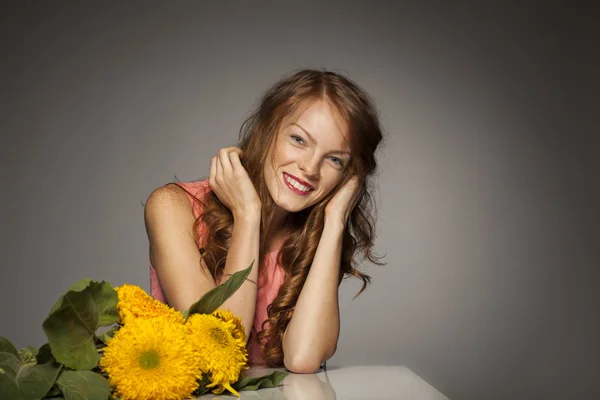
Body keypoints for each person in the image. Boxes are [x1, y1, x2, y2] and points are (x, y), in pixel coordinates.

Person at [144, 69, 384, 373]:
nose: (310, 168)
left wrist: (336, 221)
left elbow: (303, 359)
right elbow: (218, 352)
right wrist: (247, 214)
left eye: (335, 159)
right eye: (298, 139)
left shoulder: (314, 233)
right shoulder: (171, 206)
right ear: (266, 131)